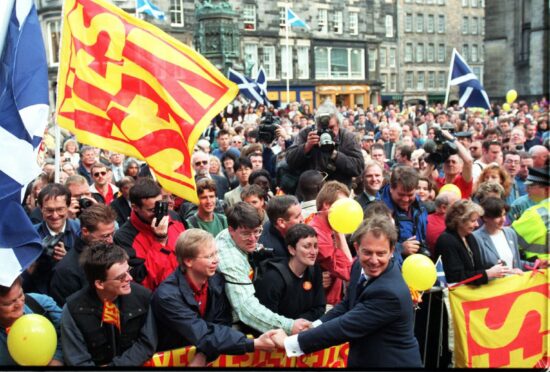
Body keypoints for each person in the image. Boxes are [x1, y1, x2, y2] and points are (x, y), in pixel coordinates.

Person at [269, 217, 422, 368]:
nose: (374, 260)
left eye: (381, 253)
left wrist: (288, 343)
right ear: (357, 248)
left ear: (391, 251)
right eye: (367, 252)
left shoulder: (389, 293)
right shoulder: (358, 266)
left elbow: (344, 327)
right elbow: (348, 304)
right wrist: (315, 325)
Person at [151, 229, 276, 364]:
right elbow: (201, 332)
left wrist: (203, 354)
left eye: (216, 253)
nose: (216, 260)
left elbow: (221, 321)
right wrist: (252, 344)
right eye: (209, 256)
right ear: (188, 261)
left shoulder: (216, 280)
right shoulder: (167, 296)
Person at [215, 202, 310, 336]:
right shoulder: (229, 259)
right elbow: (246, 309)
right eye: (246, 234)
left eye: (257, 231)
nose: (253, 239)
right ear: (231, 230)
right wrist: (289, 326)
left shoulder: (233, 235)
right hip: (229, 323)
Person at [61, 243, 157, 366]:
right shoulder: (73, 310)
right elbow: (77, 360)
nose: (130, 278)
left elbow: (147, 343)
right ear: (100, 284)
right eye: (121, 277)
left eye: (128, 270)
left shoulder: (143, 297)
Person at [114, 178, 185, 291]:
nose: (159, 213)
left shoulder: (174, 217)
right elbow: (142, 281)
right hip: (160, 298)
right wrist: (160, 242)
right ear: (135, 207)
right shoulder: (123, 237)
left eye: (161, 205)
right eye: (152, 210)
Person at [285, 100, 364, 188]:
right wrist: (306, 147)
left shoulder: (347, 137)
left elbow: (358, 167)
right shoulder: (307, 133)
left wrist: (335, 155)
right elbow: (289, 160)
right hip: (311, 192)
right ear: (316, 125)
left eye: (331, 127)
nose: (327, 131)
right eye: (322, 127)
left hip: (339, 191)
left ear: (338, 124)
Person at [254, 224, 325, 321]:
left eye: (315, 246)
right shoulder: (273, 278)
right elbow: (266, 319)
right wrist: (292, 326)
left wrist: (301, 323)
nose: (313, 252)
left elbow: (320, 307)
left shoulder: (314, 269)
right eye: (307, 247)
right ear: (292, 250)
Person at [49, 204, 117, 306]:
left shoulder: (113, 250)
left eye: (112, 234)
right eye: (105, 236)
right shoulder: (66, 270)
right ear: (85, 231)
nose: (111, 240)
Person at [436, 200, 512, 285]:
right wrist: (487, 274)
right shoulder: (446, 241)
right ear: (459, 221)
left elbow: (477, 268)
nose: (477, 225)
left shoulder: (470, 237)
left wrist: (496, 269)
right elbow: (455, 277)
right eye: (473, 221)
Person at [26, 184, 80, 294]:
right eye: (49, 210)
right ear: (40, 208)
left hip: (71, 294)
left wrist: (69, 259)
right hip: (40, 295)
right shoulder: (30, 236)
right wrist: (33, 264)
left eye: (60, 209)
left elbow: (89, 270)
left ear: (68, 206)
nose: (55, 216)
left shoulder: (80, 231)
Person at [0, 276, 64, 366]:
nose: (19, 303)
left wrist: (57, 359)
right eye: (9, 303)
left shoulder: (39, 303)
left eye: (20, 295)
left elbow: (70, 332)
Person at [308, 181, 353, 306]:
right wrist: (340, 232)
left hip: (334, 300)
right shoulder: (316, 235)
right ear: (327, 205)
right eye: (342, 206)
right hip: (323, 305)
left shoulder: (328, 230)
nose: (346, 211)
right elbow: (348, 271)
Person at [380, 166, 428, 264]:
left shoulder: (420, 206)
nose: (406, 199)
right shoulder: (378, 210)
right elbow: (373, 244)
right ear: (391, 188)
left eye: (410, 195)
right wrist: (400, 248)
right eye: (401, 195)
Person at [473, 197, 529, 273]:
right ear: (485, 217)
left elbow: (516, 262)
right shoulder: (475, 238)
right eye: (498, 216)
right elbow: (478, 270)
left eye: (504, 215)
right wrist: (509, 272)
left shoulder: (510, 233)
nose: (503, 220)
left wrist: (536, 265)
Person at [426, 191, 460, 255]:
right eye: (457, 205)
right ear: (444, 208)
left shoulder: (425, 219)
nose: (461, 208)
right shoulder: (451, 226)